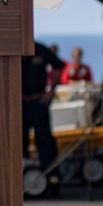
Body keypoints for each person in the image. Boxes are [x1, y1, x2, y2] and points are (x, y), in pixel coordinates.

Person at [22, 41, 64, 172]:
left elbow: (58, 66)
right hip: (18, 103)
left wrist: (51, 90)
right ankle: (20, 174)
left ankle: (50, 174)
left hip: (38, 101)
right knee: (17, 140)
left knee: (45, 140)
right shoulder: (11, 49)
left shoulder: (41, 50)